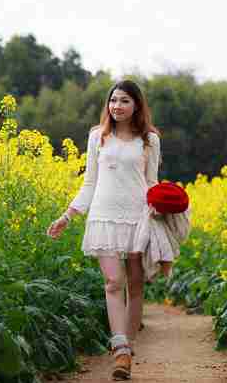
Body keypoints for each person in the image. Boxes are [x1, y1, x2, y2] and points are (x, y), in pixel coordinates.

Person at [47, 80, 180, 381]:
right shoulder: (98, 136)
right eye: (113, 100)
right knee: (112, 281)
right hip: (103, 216)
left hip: (136, 217)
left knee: (135, 284)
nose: (117, 106)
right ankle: (119, 348)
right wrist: (68, 215)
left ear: (137, 106)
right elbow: (89, 182)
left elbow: (151, 182)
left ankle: (127, 353)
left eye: (124, 101)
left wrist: (160, 205)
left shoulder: (149, 140)